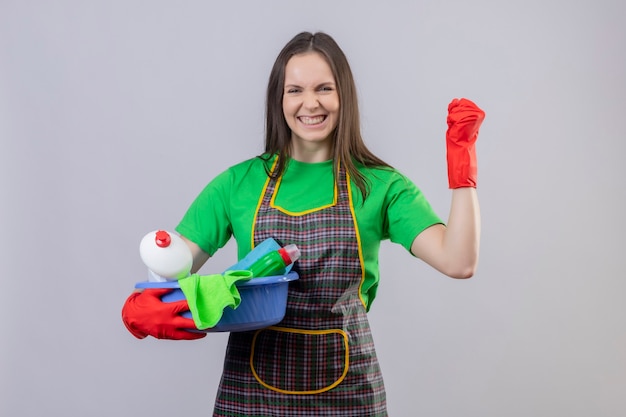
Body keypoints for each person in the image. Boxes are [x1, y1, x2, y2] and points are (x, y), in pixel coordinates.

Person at [122, 31, 484, 416]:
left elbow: (457, 261)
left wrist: (463, 168)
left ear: (344, 95)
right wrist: (143, 304)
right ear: (279, 100)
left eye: (324, 88)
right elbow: (174, 267)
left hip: (348, 395)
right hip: (251, 397)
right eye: (295, 90)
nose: (310, 103)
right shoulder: (239, 184)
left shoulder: (381, 186)